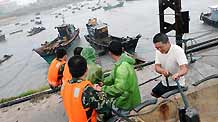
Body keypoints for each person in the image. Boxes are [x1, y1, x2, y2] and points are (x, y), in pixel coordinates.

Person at [61, 56, 111, 122]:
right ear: (86, 70)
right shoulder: (87, 90)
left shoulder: (64, 86)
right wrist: (100, 92)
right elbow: (105, 107)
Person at [97, 41, 141, 112]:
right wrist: (104, 82)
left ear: (110, 53)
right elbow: (112, 77)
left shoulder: (122, 68)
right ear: (122, 49)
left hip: (127, 102)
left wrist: (103, 89)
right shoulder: (123, 62)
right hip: (132, 96)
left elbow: (119, 89)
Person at [151, 33, 188, 98]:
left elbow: (184, 69)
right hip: (165, 82)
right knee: (153, 93)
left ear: (168, 42)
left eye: (161, 47)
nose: (159, 50)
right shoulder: (158, 51)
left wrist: (178, 74)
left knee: (170, 99)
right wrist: (162, 71)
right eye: (157, 48)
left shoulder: (178, 51)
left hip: (176, 84)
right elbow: (157, 67)